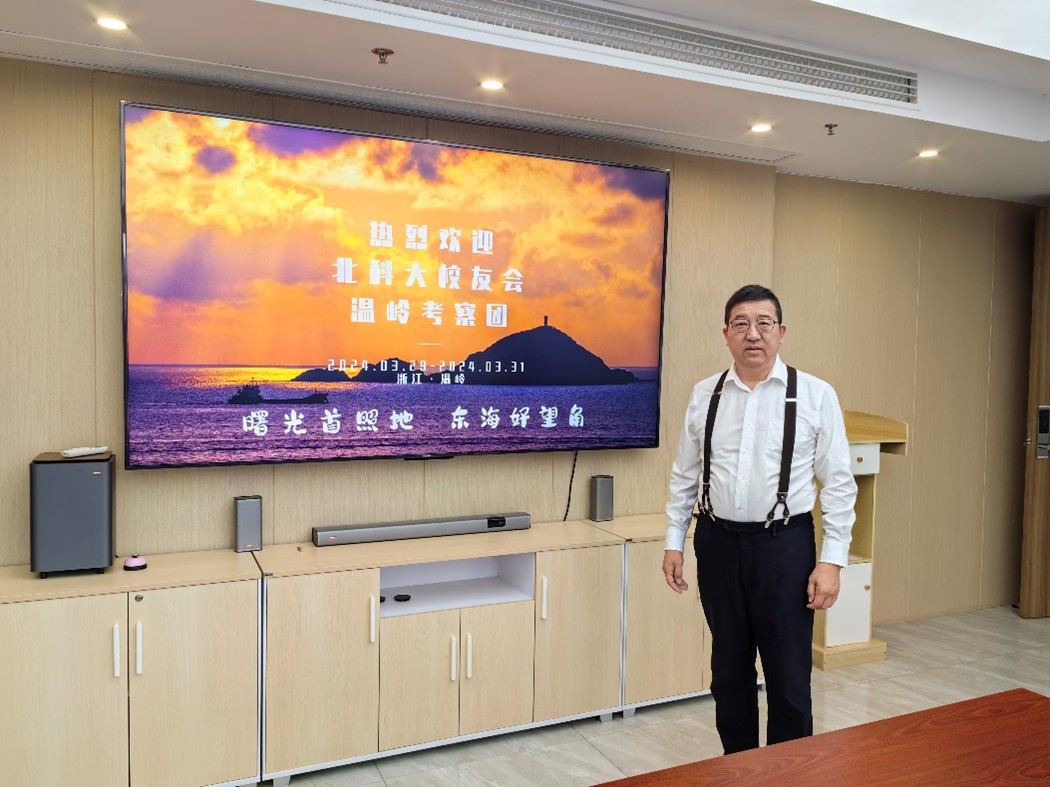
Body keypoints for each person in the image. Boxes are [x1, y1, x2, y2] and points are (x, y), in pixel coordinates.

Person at [662, 284, 857, 755]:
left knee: (788, 676)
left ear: (781, 332)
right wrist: (673, 540)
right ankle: (739, 768)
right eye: (742, 324)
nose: (753, 334)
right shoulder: (705, 394)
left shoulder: (815, 394)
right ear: (726, 334)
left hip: (784, 546)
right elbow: (685, 474)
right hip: (717, 544)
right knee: (729, 672)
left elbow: (839, 483)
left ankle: (789, 774)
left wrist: (832, 561)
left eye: (764, 323)